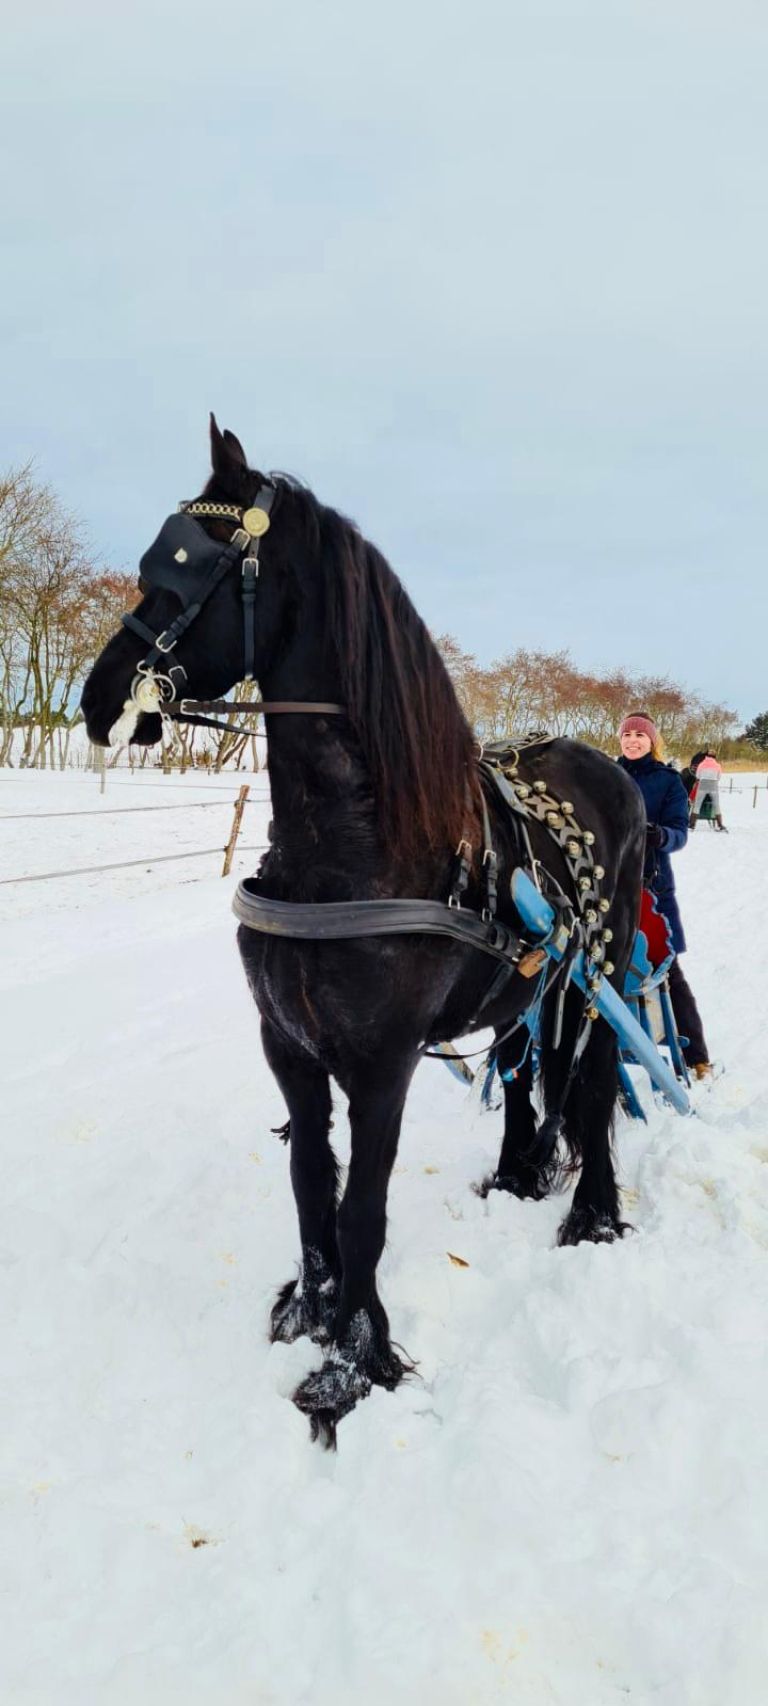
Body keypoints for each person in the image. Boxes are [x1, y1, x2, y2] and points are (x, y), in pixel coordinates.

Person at [617, 712, 713, 1080]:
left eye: (641, 735)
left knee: (666, 970)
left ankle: (697, 1058)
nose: (633, 740)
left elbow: (679, 833)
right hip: (607, 885)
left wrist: (660, 836)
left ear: (652, 741)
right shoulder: (606, 774)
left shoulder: (668, 781)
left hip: (651, 889)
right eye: (627, 735)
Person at [691, 749, 728, 832]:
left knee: (697, 804)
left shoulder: (701, 764)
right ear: (715, 757)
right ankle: (720, 825)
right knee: (716, 805)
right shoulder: (718, 765)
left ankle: (692, 825)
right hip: (713, 785)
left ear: (706, 756)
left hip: (703, 784)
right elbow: (719, 777)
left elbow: (698, 775)